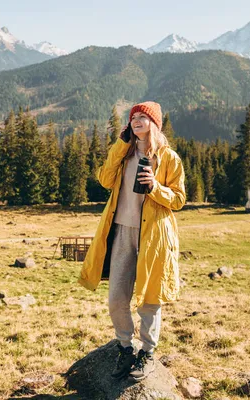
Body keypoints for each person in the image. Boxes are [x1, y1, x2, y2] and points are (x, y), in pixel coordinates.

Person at [79, 101, 186, 381]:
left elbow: (179, 199)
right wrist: (119, 145)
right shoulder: (124, 154)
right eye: (133, 118)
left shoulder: (169, 158)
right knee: (116, 298)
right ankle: (125, 347)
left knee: (150, 299)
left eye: (143, 117)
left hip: (153, 235)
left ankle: (148, 353)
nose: (136, 121)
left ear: (154, 123)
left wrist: (155, 187)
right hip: (122, 232)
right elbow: (104, 179)